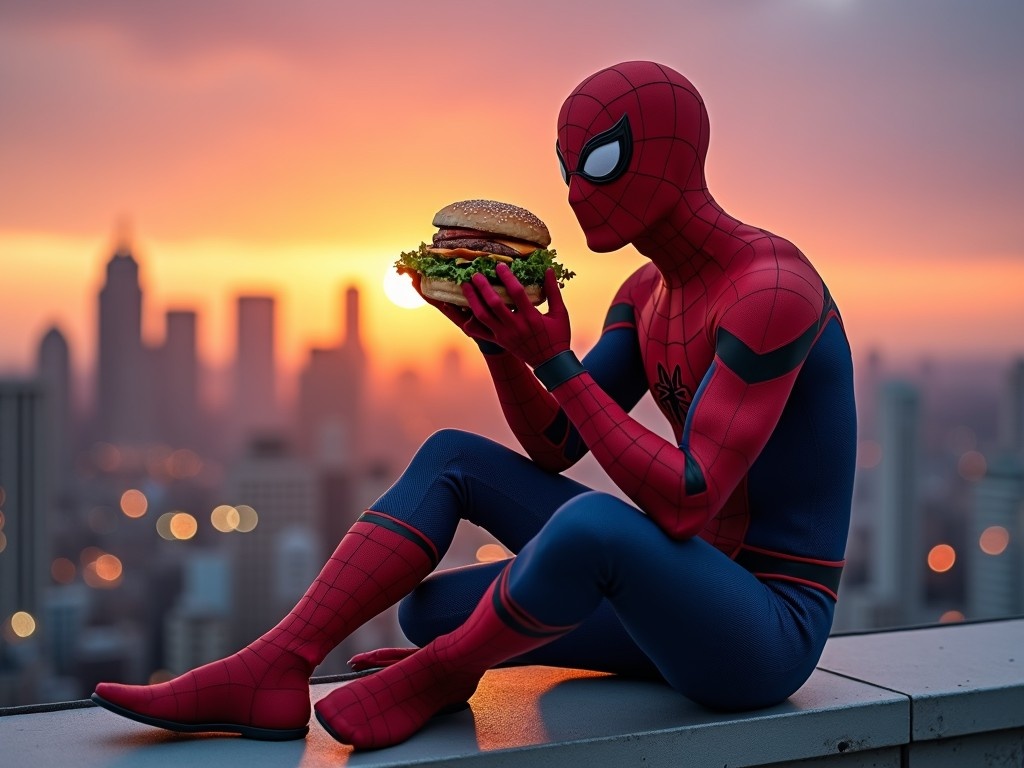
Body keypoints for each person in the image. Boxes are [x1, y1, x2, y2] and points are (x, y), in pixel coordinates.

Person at [92, 60, 856, 750]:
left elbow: (689, 502)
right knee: (439, 557)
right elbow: (557, 443)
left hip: (765, 634)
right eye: (565, 168)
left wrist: (554, 358)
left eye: (599, 160)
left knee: (590, 526)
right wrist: (501, 346)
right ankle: (273, 665)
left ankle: (443, 676)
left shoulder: (770, 291)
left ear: (673, 155)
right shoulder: (643, 296)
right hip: (672, 603)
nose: (573, 192)